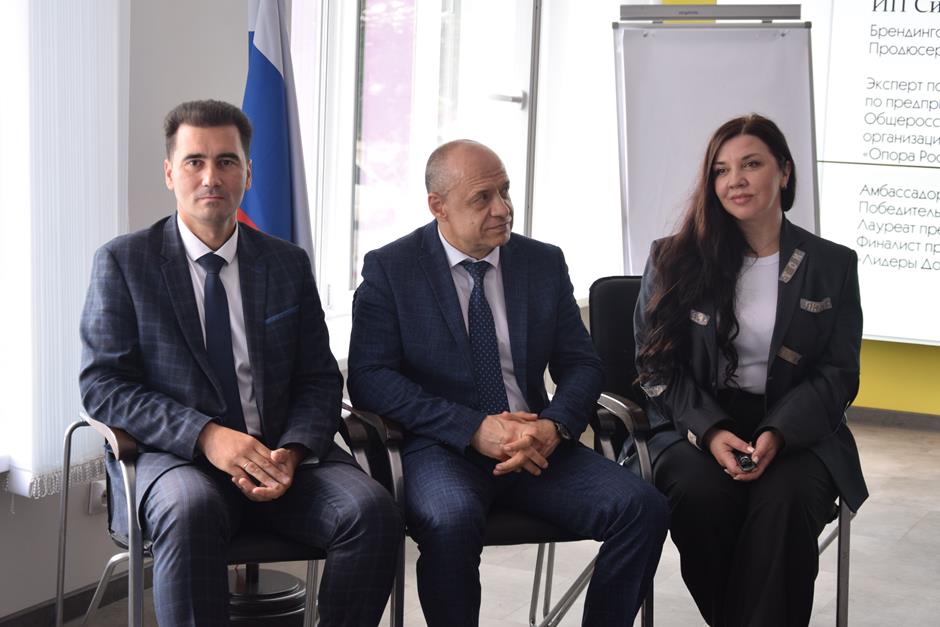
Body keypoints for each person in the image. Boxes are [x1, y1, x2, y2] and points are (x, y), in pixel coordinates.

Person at [79, 99, 402, 626]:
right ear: (169, 173)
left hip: (282, 460)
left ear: (248, 173)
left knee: (372, 511)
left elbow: (319, 378)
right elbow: (104, 386)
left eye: (226, 161)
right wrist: (207, 436)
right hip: (178, 462)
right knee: (190, 510)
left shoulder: (286, 263)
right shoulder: (124, 262)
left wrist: (293, 451)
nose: (211, 177)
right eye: (195, 161)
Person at [347, 139, 668, 627]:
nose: (503, 208)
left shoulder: (542, 263)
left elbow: (582, 364)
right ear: (438, 206)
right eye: (482, 198)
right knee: (451, 521)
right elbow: (371, 379)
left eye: (505, 191)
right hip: (442, 448)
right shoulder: (392, 268)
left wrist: (553, 426)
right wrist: (473, 428)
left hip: (536, 444)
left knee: (643, 508)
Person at [630, 114, 868, 626]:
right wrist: (711, 431)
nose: (735, 180)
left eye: (751, 164)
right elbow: (655, 366)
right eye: (721, 170)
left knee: (786, 501)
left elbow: (838, 373)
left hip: (795, 426)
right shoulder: (673, 259)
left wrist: (778, 433)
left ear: (784, 172)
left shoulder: (832, 265)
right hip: (693, 423)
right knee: (700, 495)